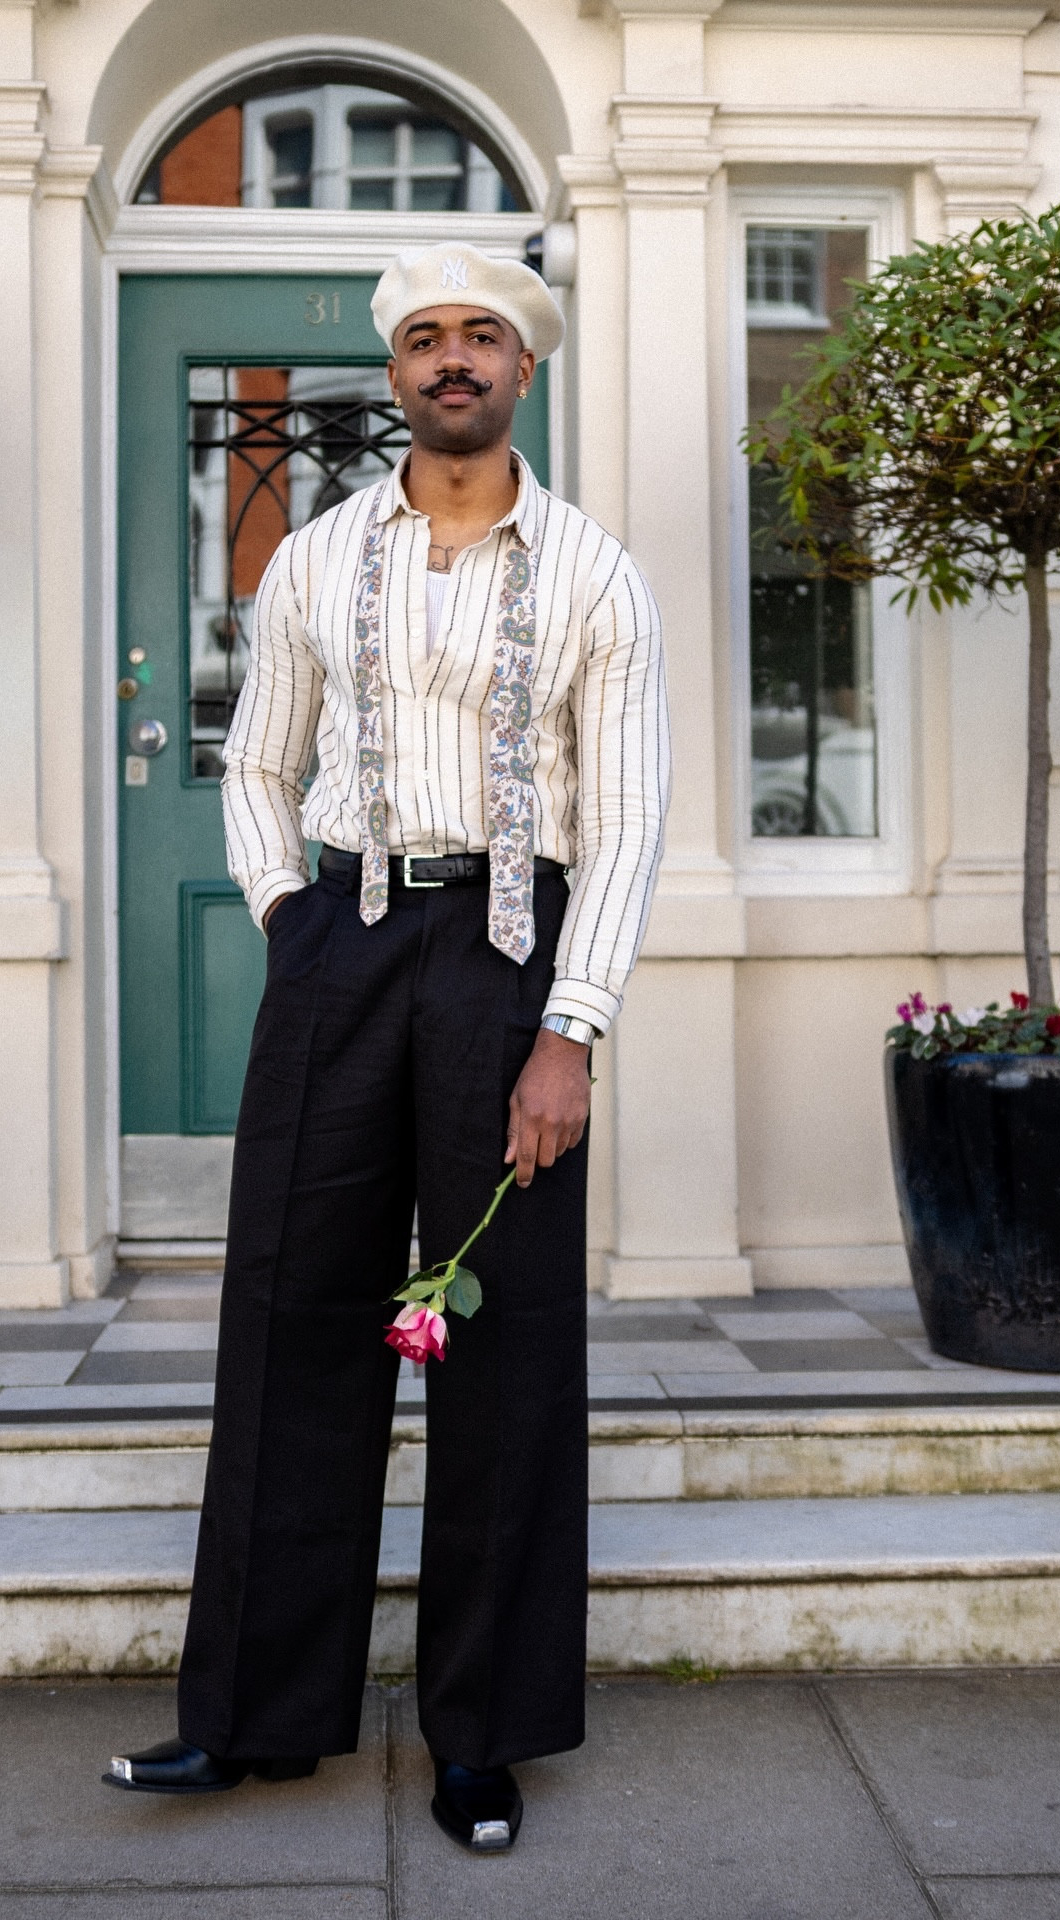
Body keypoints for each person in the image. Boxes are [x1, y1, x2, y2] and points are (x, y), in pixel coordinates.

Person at [105, 240, 669, 1852]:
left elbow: (630, 819)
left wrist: (572, 1029)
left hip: (510, 951)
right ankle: (253, 1717)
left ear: (524, 369)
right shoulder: (316, 556)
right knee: (292, 1315)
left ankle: (482, 1737)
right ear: (398, 369)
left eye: (481, 335)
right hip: (341, 946)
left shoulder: (596, 573)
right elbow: (254, 761)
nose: (452, 359)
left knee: (506, 1342)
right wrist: (288, 914)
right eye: (425, 337)